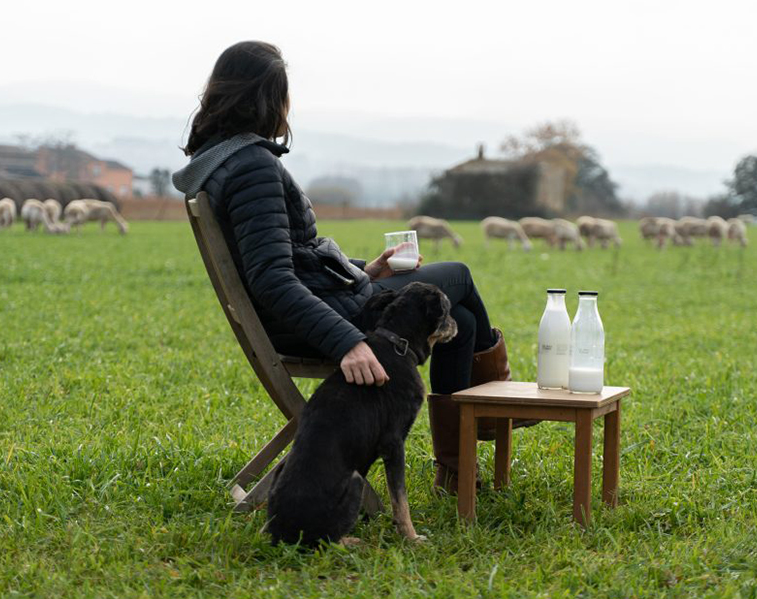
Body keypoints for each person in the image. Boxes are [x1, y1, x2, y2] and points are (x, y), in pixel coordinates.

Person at [173, 41, 532, 493]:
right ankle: (496, 400)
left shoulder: (221, 160)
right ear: (269, 99)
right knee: (457, 274)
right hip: (321, 321)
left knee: (456, 319)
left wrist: (369, 271)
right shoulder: (252, 167)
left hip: (323, 304)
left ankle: (457, 466)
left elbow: (294, 259)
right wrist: (349, 343)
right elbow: (273, 278)